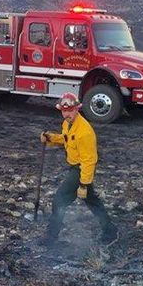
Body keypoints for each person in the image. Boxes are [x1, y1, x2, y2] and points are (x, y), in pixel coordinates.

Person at [40, 92, 117, 244]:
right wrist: (51, 138)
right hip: (76, 167)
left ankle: (51, 237)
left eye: (70, 110)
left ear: (77, 109)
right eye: (64, 110)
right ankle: (110, 231)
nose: (66, 113)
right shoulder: (68, 124)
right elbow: (66, 138)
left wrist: (83, 184)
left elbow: (89, 161)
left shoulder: (84, 132)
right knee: (92, 200)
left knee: (59, 200)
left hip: (81, 169)